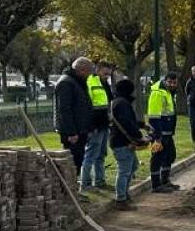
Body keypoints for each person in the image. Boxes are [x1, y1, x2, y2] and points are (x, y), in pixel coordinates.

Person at [54, 57, 95, 201]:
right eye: (88, 73)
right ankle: (69, 193)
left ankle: (73, 191)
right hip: (72, 132)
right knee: (72, 163)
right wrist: (71, 132)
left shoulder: (76, 81)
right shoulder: (66, 83)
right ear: (81, 69)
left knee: (77, 161)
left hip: (80, 129)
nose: (89, 76)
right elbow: (64, 110)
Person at [108, 78, 148, 210]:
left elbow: (128, 121)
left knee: (133, 166)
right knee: (124, 170)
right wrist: (139, 137)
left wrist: (142, 125)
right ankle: (121, 199)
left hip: (121, 141)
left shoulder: (119, 102)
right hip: (122, 142)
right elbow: (127, 123)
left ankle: (124, 194)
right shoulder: (122, 103)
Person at [82, 60, 114, 191]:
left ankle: (100, 181)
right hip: (95, 125)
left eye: (109, 75)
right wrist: (91, 126)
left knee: (101, 154)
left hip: (104, 124)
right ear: (98, 70)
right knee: (91, 154)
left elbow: (108, 101)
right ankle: (86, 183)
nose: (107, 77)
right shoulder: (90, 82)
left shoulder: (105, 83)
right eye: (105, 74)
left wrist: (110, 114)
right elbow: (87, 106)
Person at [148, 71, 181, 193]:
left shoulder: (168, 93)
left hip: (168, 133)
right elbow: (153, 116)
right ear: (165, 81)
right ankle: (156, 185)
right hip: (159, 133)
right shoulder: (158, 93)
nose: (172, 84)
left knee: (169, 156)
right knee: (157, 157)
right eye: (170, 82)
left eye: (174, 82)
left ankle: (165, 181)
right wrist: (157, 136)